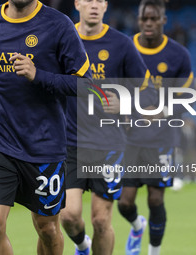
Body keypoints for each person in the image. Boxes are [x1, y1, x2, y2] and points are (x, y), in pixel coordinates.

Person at [0, 1, 91, 254]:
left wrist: (39, 75)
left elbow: (86, 85)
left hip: (44, 146)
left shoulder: (59, 25)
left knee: (47, 229)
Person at [60, 1, 157, 255]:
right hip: (69, 143)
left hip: (109, 144)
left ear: (106, 6)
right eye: (88, 0)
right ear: (77, 3)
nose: (94, 6)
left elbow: (149, 92)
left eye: (100, 1)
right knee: (68, 216)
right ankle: (82, 245)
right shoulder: (62, 39)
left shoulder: (121, 44)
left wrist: (125, 103)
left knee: (101, 220)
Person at [118, 1, 193, 255]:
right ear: (138, 20)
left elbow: (186, 97)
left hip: (161, 138)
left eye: (154, 18)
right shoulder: (126, 47)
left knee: (155, 198)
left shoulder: (179, 55)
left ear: (163, 20)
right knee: (124, 203)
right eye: (144, 19)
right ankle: (137, 225)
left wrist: (162, 112)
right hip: (129, 138)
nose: (148, 23)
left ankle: (153, 251)